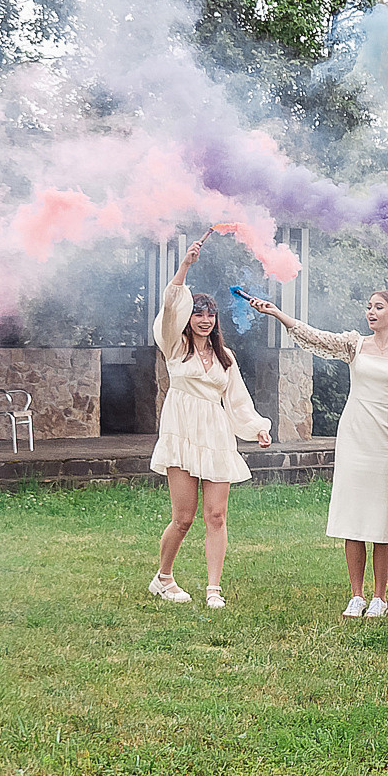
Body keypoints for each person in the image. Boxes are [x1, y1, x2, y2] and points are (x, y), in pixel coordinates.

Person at [251, 290, 388, 618]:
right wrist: (278, 314)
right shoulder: (355, 344)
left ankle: (379, 597)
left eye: (378, 307)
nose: (370, 312)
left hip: (386, 438)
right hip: (354, 433)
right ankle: (356, 595)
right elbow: (316, 337)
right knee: (353, 516)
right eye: (368, 306)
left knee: (382, 520)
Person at [145, 237, 273, 610]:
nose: (204, 320)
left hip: (215, 433)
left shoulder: (224, 356)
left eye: (210, 315)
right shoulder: (174, 346)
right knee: (183, 517)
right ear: (189, 318)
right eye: (198, 314)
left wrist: (256, 427)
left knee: (215, 514)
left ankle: (213, 589)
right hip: (182, 431)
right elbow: (171, 303)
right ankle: (163, 577)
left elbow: (237, 399)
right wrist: (185, 265)